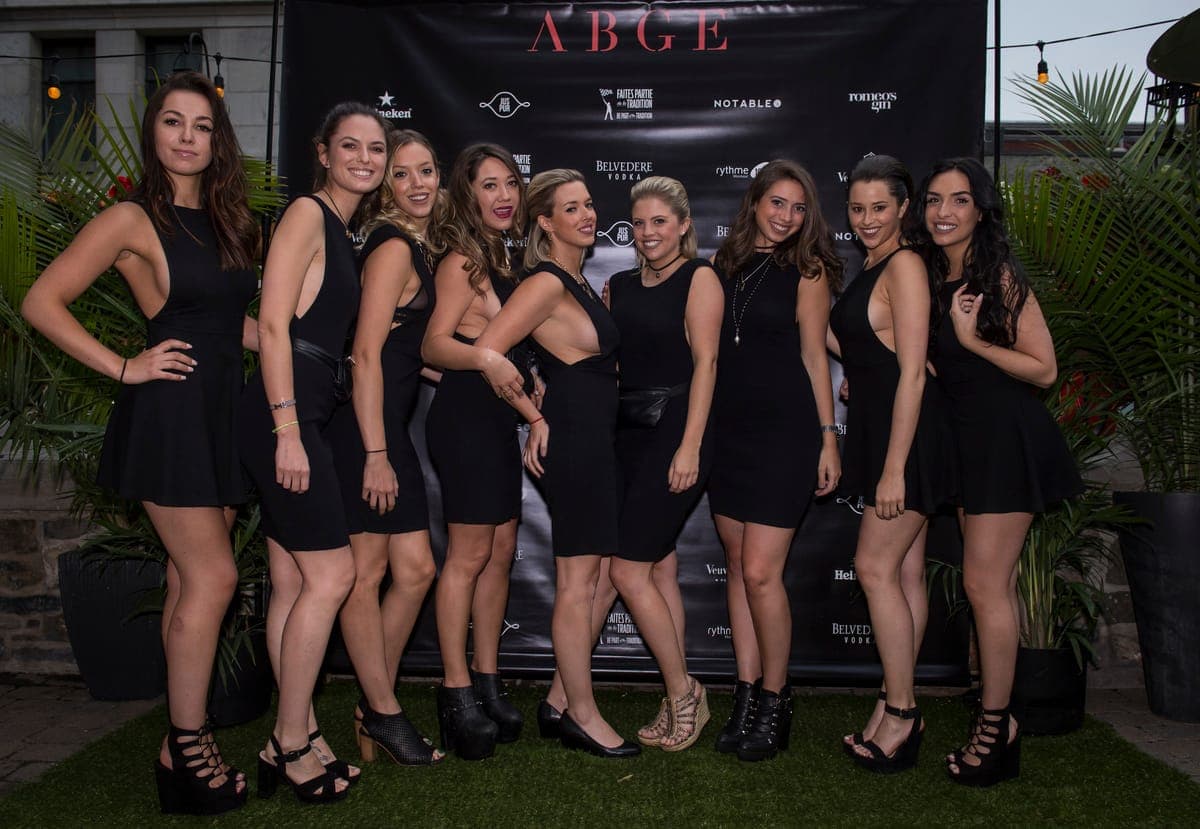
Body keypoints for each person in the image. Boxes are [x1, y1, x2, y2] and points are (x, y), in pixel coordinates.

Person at [21, 71, 258, 815]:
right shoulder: (130, 218)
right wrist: (126, 366)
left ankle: (173, 744)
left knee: (193, 582)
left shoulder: (229, 220)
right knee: (215, 579)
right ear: (153, 134)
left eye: (202, 126)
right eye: (173, 123)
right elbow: (39, 300)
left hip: (221, 412)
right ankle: (189, 746)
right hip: (171, 414)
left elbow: (237, 326)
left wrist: (320, 353)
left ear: (218, 141)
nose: (188, 136)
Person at [911, 157, 1082, 786]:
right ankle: (996, 719)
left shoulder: (998, 274)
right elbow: (940, 369)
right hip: (965, 442)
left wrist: (974, 339)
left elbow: (1044, 370)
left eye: (958, 200)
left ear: (981, 209)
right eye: (933, 200)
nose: (943, 212)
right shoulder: (933, 274)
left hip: (1006, 441)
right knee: (992, 586)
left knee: (986, 586)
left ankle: (998, 725)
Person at [238, 101, 388, 803]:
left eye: (375, 147)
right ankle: (291, 741)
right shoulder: (306, 212)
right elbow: (272, 323)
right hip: (288, 415)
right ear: (323, 152)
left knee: (295, 582)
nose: (365, 157)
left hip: (307, 411)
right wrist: (287, 429)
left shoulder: (344, 231)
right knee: (333, 577)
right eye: (350, 145)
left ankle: (292, 733)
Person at [475, 168, 638, 758]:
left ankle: (559, 698)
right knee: (578, 582)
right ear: (545, 221)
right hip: (573, 439)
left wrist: (539, 384)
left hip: (596, 436)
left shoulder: (579, 279)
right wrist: (535, 417)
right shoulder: (545, 281)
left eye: (589, 205)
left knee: (599, 578)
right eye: (571, 209)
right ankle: (583, 715)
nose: (587, 216)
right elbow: (490, 350)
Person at [708, 159, 842, 761]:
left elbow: (816, 357)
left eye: (798, 207)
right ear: (755, 203)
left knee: (762, 572)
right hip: (728, 432)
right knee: (737, 567)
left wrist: (828, 437)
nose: (787, 217)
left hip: (785, 432)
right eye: (777, 204)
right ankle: (744, 692)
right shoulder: (723, 263)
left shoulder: (807, 269)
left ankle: (776, 696)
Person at [827, 155, 956, 772]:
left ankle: (902, 713)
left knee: (873, 567)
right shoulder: (874, 265)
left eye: (881, 208)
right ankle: (893, 700)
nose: (868, 219)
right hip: (886, 430)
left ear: (905, 209)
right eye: (858, 208)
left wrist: (895, 469)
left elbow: (911, 371)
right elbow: (869, 346)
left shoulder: (903, 264)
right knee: (904, 574)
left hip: (907, 441)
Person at [327, 129, 446, 765]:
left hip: (386, 423)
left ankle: (376, 702)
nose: (419, 184)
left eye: (427, 171)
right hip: (365, 428)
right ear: (386, 188)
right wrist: (375, 451)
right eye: (402, 175)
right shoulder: (393, 247)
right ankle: (384, 712)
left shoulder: (413, 246)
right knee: (368, 573)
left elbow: (404, 352)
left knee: (416, 571)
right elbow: (365, 352)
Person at [605, 176, 723, 751]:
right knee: (657, 570)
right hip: (627, 433)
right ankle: (673, 694)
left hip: (677, 428)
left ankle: (684, 692)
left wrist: (691, 446)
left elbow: (706, 365)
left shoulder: (700, 278)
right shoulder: (620, 286)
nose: (648, 233)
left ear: (682, 225)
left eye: (660, 222)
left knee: (627, 571)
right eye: (640, 223)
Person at [420, 143, 528, 760]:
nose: (504, 196)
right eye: (490, 186)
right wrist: (486, 357)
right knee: (467, 555)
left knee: (502, 549)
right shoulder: (462, 259)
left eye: (510, 183)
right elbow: (433, 345)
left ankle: (488, 681)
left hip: (495, 417)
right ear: (467, 194)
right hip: (464, 418)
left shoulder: (502, 257)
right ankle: (456, 692)